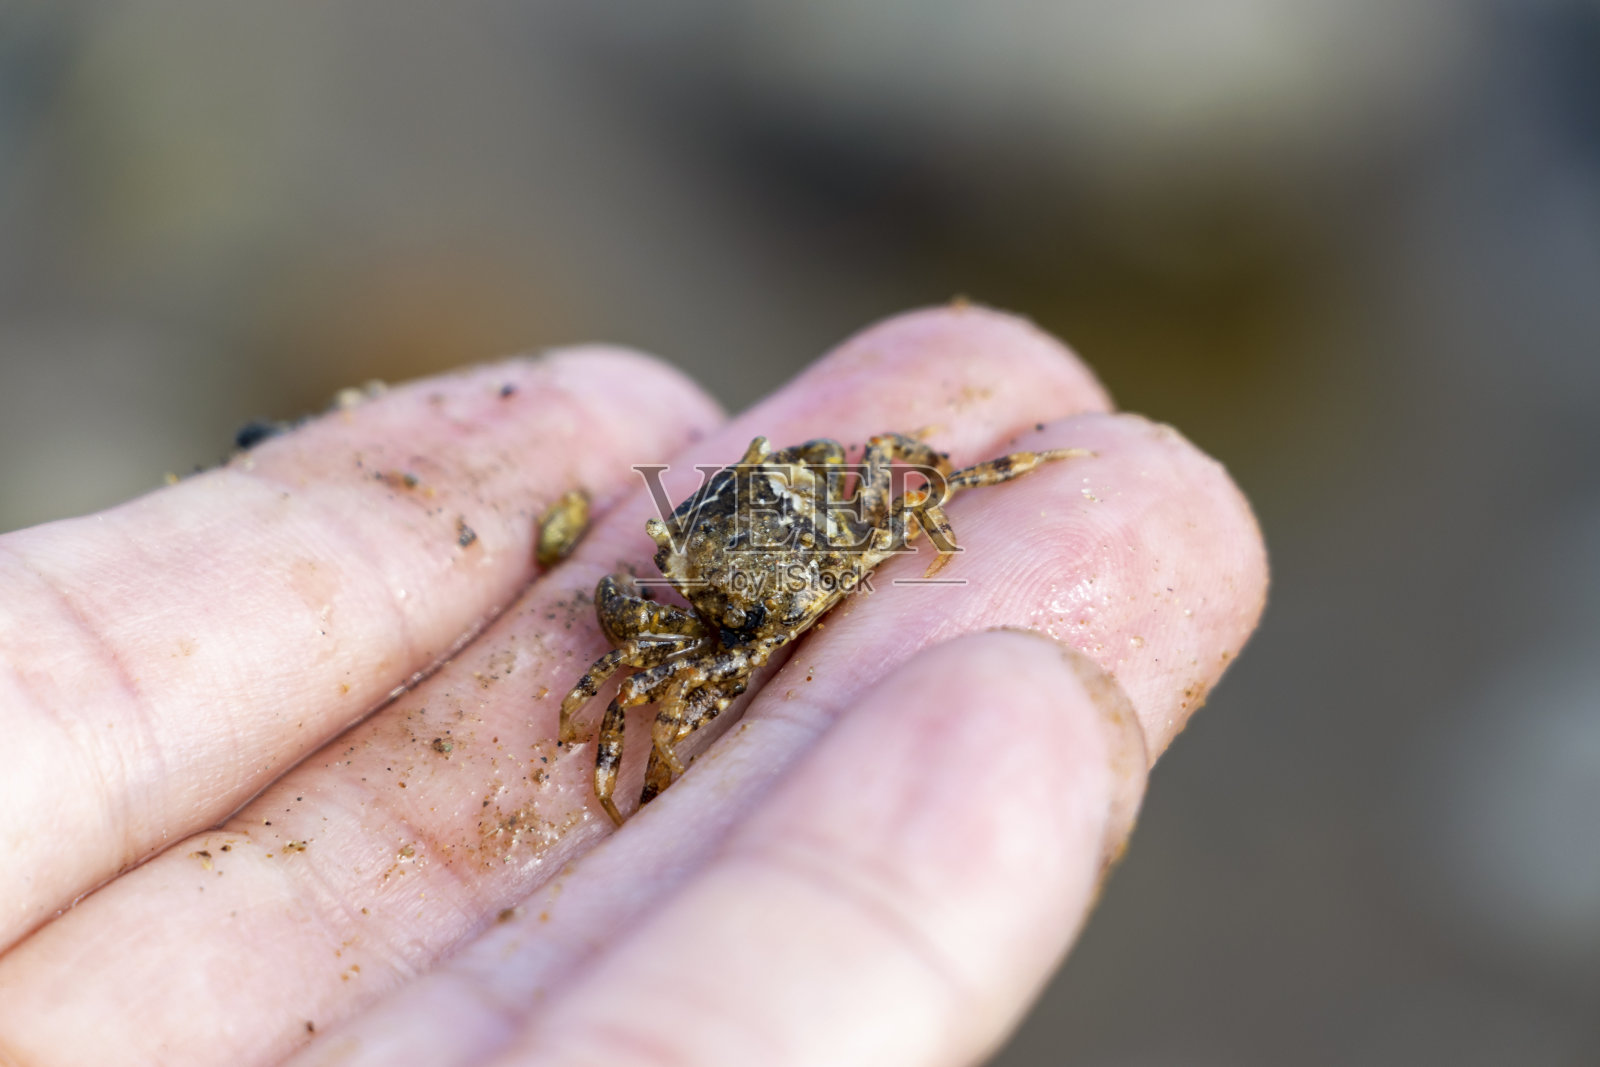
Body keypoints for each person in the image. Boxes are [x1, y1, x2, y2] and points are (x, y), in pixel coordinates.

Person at [0, 306, 1267, 1066]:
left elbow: (876, 481)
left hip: (815, 539)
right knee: (636, 682)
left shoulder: (858, 489)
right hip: (784, 563)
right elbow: (629, 658)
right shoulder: (707, 576)